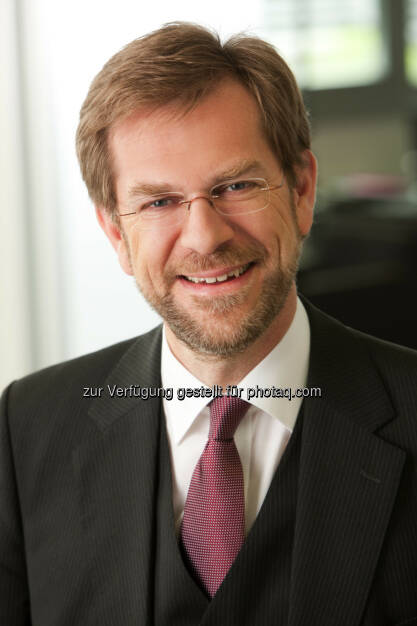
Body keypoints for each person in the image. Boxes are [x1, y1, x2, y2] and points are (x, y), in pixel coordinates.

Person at [1, 22, 417, 626]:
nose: (205, 236)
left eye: (236, 185)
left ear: (301, 189)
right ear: (116, 232)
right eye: (159, 201)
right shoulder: (25, 431)